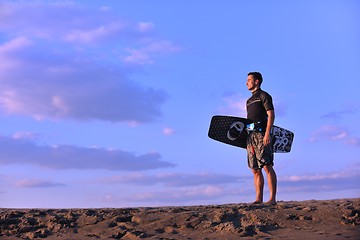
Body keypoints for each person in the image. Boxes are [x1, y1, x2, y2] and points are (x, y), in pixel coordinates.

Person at [245, 72, 277, 205]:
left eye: (249, 80)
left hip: (262, 134)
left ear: (256, 81)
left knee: (267, 165)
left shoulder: (264, 96)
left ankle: (272, 199)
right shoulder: (249, 101)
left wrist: (267, 133)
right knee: (254, 168)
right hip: (250, 136)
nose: (246, 83)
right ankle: (259, 199)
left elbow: (271, 115)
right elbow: (249, 121)